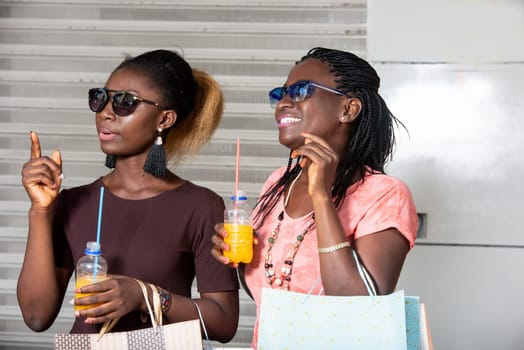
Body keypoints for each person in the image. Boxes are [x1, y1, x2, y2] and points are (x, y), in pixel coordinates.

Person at [18, 49, 239, 342]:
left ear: (165, 118)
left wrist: (145, 295)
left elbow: (223, 323)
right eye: (100, 98)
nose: (106, 112)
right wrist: (41, 211)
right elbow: (36, 316)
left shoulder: (201, 205)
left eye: (125, 102)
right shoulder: (72, 203)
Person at [211, 47, 418, 347]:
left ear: (348, 109)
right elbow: (274, 288)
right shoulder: (278, 184)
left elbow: (358, 308)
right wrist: (237, 255)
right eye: (281, 94)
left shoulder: (385, 194)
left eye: (300, 91)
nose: (283, 103)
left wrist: (321, 196)